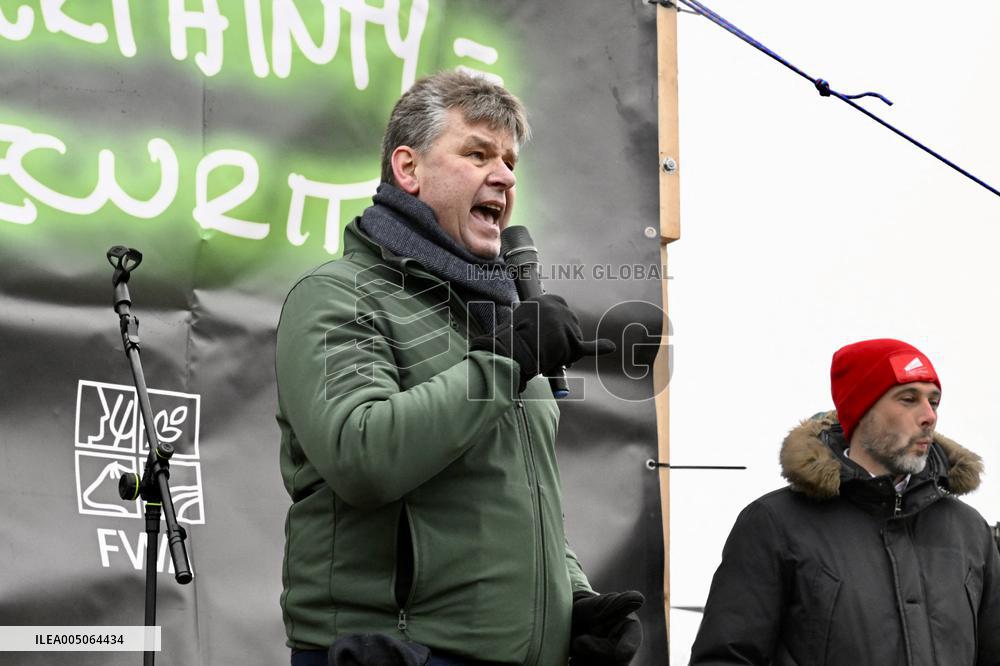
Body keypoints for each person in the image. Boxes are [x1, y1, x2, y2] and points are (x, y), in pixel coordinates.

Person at [276, 70, 644, 666]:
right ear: (408, 169)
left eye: (510, 162)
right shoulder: (339, 294)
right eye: (477, 154)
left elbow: (518, 499)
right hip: (398, 653)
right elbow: (359, 453)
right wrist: (504, 361)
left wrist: (572, 601)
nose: (504, 176)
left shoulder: (501, 322)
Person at [689, 338, 1000, 665]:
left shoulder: (969, 531)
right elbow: (726, 658)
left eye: (933, 402)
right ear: (862, 411)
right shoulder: (776, 524)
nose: (928, 416)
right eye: (908, 399)